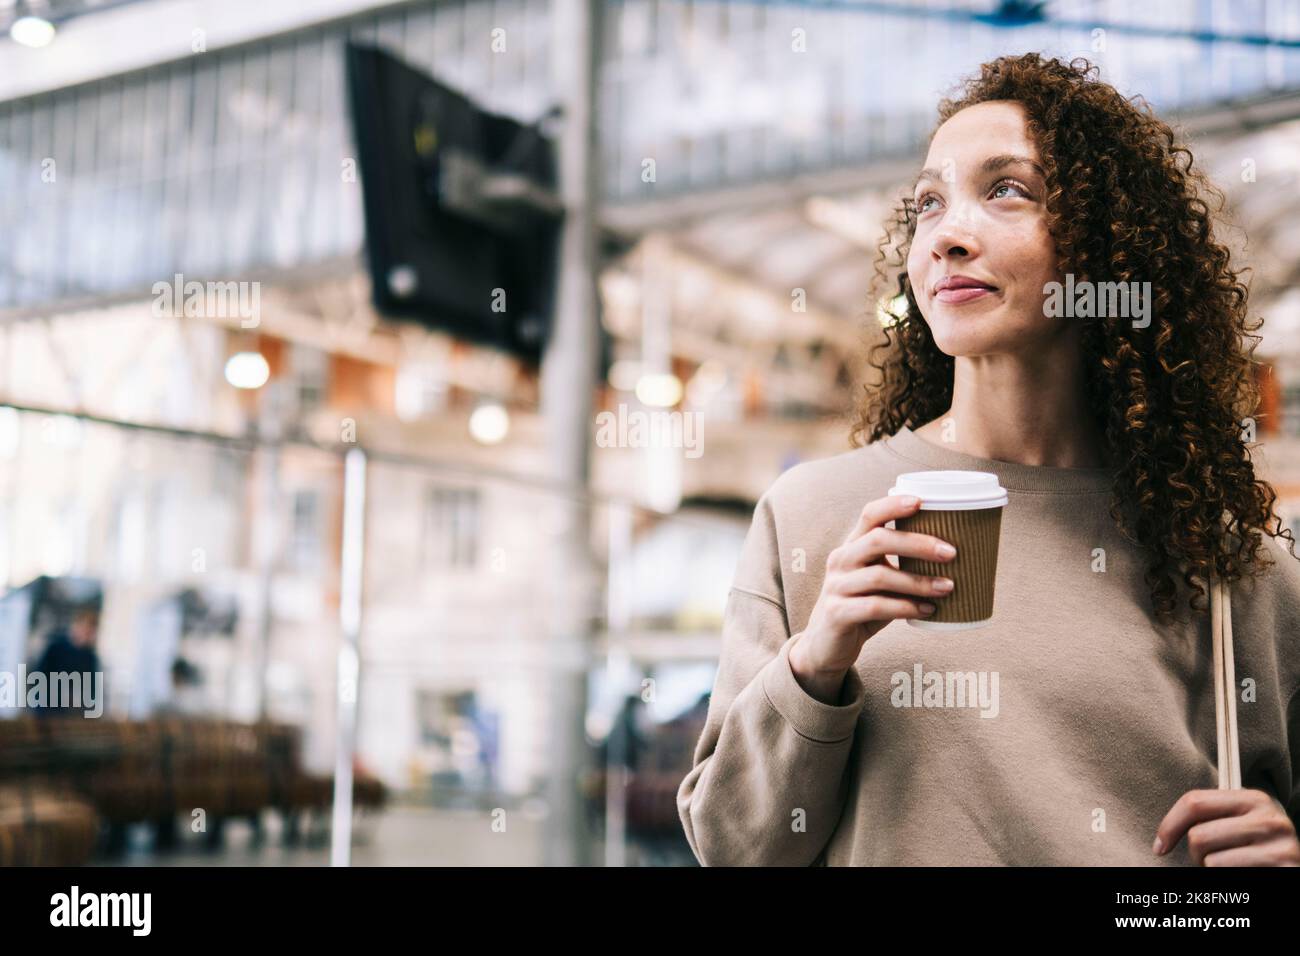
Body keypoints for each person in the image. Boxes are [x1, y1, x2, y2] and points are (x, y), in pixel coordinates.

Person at [677, 54, 1300, 867]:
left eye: (1007, 189)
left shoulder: (1229, 564)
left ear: (1109, 247)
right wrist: (816, 663)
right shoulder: (810, 520)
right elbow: (734, 847)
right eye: (928, 203)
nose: (948, 235)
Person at [31, 608, 104, 719]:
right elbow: (37, 679)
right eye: (85, 629)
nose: (87, 634)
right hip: (47, 712)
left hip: (74, 715)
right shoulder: (55, 648)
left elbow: (92, 690)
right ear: (75, 626)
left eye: (91, 631)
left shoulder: (90, 657)